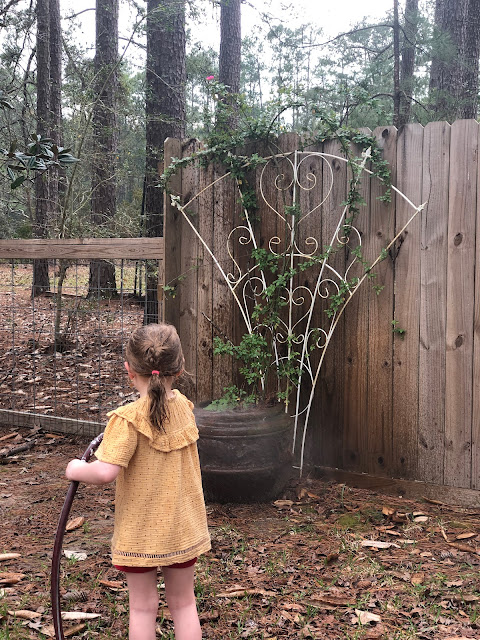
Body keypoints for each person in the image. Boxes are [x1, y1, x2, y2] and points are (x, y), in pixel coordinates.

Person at [65, 322, 210, 640]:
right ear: (180, 368)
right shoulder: (184, 408)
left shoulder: (127, 419)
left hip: (141, 533)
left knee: (143, 608)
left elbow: (104, 472)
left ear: (129, 370)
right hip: (182, 528)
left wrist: (75, 468)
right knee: (184, 603)